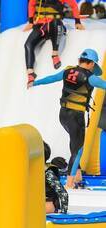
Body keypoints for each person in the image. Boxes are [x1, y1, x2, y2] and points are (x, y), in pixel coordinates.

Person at [32, 48, 106, 188]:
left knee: (74, 143)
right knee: (78, 150)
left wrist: (35, 82)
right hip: (76, 116)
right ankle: (70, 184)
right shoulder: (91, 78)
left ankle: (77, 176)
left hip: (63, 115)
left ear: (79, 61)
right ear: (91, 64)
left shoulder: (68, 70)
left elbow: (52, 78)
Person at [24, 0, 84, 87]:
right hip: (41, 25)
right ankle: (30, 73)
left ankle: (55, 54)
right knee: (28, 45)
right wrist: (30, 22)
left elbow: (74, 5)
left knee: (55, 21)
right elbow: (31, 4)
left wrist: (77, 22)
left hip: (55, 26)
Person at [43, 142, 68, 214]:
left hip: (46, 207)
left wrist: (63, 213)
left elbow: (63, 193)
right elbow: (63, 193)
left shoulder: (47, 172)